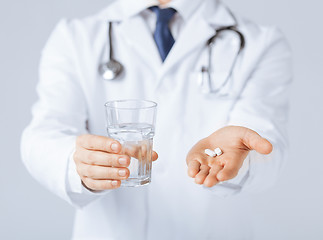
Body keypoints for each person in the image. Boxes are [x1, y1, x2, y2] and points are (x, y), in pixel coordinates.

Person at [21, 0, 292, 239]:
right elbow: (45, 132)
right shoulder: (75, 36)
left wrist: (240, 160)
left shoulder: (261, 43)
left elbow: (266, 148)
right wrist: (78, 163)